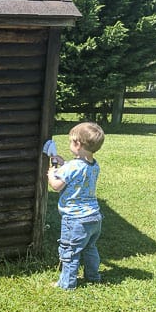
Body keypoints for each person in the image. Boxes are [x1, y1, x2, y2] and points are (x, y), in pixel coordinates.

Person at [47, 122, 105, 290]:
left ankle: (67, 284)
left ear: (78, 145)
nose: (70, 144)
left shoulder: (72, 166)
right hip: (94, 218)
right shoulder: (94, 165)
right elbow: (77, 173)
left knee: (70, 252)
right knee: (89, 247)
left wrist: (51, 173)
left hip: (75, 220)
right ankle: (93, 277)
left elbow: (57, 186)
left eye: (71, 142)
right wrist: (63, 163)